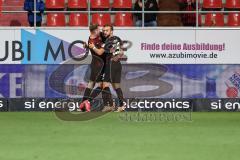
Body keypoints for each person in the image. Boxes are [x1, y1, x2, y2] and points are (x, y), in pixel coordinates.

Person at [80, 24, 114, 112]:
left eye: (106, 30)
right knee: (101, 85)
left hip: (98, 64)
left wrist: (87, 46)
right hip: (100, 65)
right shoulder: (95, 40)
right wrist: (91, 47)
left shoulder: (96, 38)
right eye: (99, 29)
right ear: (95, 30)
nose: (102, 31)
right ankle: (87, 102)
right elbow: (99, 52)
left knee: (93, 84)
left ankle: (83, 104)